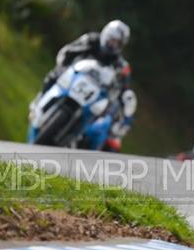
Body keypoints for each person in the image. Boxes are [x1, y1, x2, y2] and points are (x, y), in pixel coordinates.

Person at [31, 19, 137, 152]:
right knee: (53, 75)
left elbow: (125, 89)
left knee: (105, 116)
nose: (112, 44)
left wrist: (121, 100)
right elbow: (67, 51)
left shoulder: (121, 65)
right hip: (75, 77)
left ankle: (83, 136)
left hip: (96, 93)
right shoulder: (90, 40)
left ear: (121, 45)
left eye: (117, 43)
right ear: (105, 34)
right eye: (111, 39)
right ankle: (40, 99)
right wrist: (64, 65)